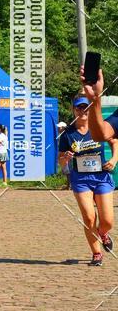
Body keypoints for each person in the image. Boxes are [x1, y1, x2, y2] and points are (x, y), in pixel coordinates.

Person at [58, 95, 116, 265]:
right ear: (73, 110)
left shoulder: (98, 127)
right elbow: (61, 160)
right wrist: (66, 158)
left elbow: (114, 141)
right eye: (79, 108)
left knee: (107, 221)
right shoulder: (67, 134)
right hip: (81, 179)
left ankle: (103, 233)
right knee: (89, 218)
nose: (82, 111)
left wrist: (113, 160)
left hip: (101, 176)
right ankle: (96, 253)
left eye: (86, 107)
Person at [57, 121, 71, 189]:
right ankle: (69, 185)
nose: (58, 129)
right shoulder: (63, 135)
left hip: (67, 156)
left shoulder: (64, 135)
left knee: (68, 171)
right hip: (65, 156)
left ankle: (69, 185)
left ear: (62, 128)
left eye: (59, 127)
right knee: (67, 171)